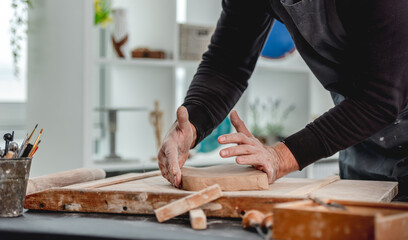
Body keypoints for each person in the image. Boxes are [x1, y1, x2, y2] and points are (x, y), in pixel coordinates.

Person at [158, 0, 408, 200]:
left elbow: (378, 99)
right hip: (361, 135)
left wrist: (280, 157)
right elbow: (227, 63)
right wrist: (191, 125)